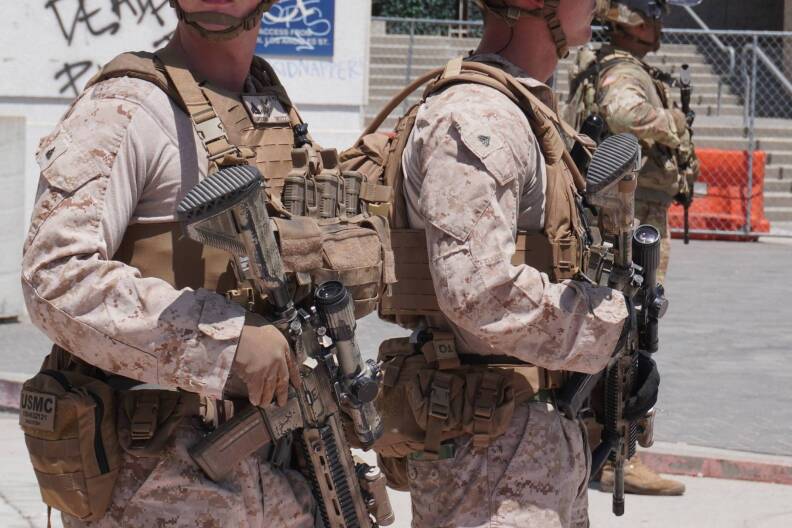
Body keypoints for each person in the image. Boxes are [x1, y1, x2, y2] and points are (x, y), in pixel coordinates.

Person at [21, 1, 318, 526]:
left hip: (278, 474)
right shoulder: (126, 106)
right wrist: (222, 340)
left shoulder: (273, 110)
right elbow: (53, 278)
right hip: (156, 484)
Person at [379, 0, 655, 526]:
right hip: (490, 452)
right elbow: (478, 291)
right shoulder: (478, 116)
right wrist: (608, 329)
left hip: (525, 439)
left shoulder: (524, 111)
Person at [566, 0, 701, 496]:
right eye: (652, 16)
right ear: (629, 22)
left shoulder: (605, 65)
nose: (659, 26)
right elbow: (625, 113)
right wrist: (672, 123)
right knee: (631, 332)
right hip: (629, 218)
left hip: (625, 215)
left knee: (618, 329)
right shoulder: (623, 70)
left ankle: (600, 443)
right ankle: (617, 453)